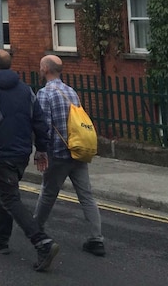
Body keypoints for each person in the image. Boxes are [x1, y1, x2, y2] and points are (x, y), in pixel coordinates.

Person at [0, 48, 59, 272]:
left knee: (10, 198)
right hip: (21, 153)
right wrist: (41, 150)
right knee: (5, 193)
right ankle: (1, 239)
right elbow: (39, 120)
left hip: (2, 152)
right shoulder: (26, 89)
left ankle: (41, 242)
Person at [33, 55, 105, 257]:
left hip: (58, 153)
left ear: (46, 69)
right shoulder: (71, 91)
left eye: (40, 66)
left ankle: (35, 229)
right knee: (86, 195)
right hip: (78, 150)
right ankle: (96, 239)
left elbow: (44, 126)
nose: (39, 70)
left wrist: (41, 153)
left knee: (48, 192)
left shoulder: (45, 93)